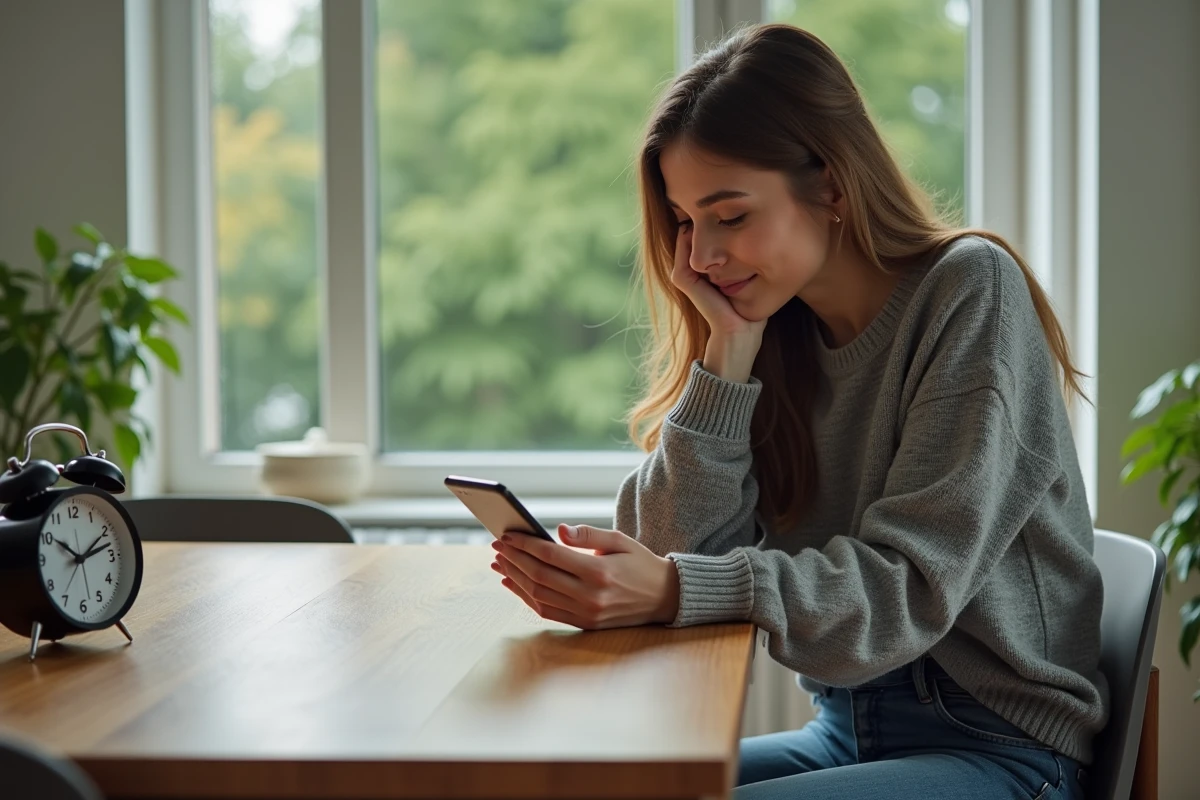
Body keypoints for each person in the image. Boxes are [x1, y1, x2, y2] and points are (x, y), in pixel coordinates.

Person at [488, 22, 1105, 800]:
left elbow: (907, 587)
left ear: (833, 186)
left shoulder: (969, 290)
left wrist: (681, 588)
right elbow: (669, 551)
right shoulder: (772, 331)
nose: (700, 257)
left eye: (731, 215)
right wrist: (727, 356)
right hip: (846, 731)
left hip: (1000, 747)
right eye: (684, 221)